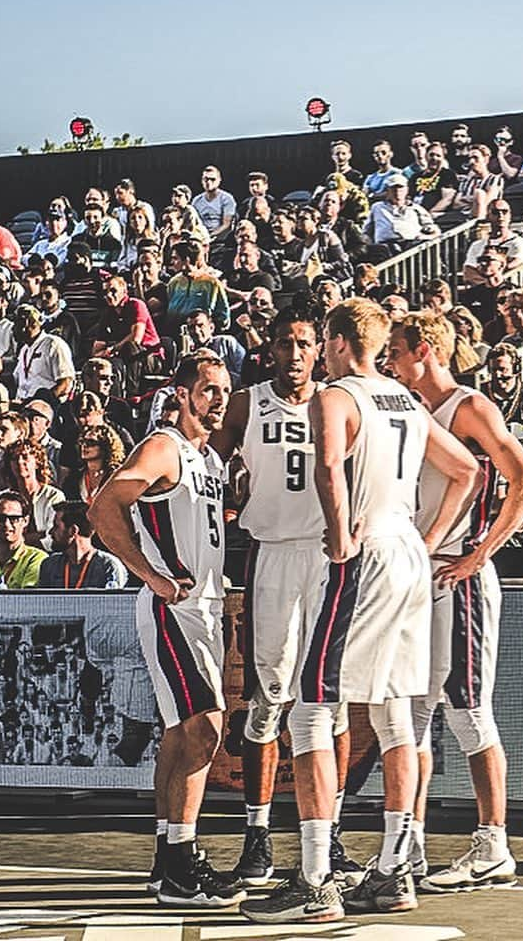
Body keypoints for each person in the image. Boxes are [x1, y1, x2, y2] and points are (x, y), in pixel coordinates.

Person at [242, 299, 479, 925]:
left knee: (314, 706)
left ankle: (316, 877)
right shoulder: (406, 399)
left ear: (339, 341)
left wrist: (344, 533)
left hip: (367, 551)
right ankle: (395, 869)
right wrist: (427, 543)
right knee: (396, 712)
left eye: (323, 338)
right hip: (406, 551)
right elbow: (467, 471)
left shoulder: (336, 396)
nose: (317, 350)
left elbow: (327, 467)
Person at [385, 311, 523, 889]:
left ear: (422, 350)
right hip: (420, 576)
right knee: (416, 711)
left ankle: (492, 844)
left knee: (469, 709)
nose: (390, 365)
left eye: (396, 354)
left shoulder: (470, 408)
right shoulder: (409, 413)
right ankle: (411, 844)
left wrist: (479, 556)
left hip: (461, 576)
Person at [210, 307, 361, 888]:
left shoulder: (338, 401)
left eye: (305, 343)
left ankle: (334, 831)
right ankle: (257, 836)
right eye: (285, 344)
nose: (295, 353)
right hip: (272, 553)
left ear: (319, 349)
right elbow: (206, 458)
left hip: (328, 556)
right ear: (269, 349)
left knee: (331, 700)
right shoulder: (248, 404)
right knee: (269, 696)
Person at [88, 352, 245, 908]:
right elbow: (104, 505)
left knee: (182, 733)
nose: (219, 398)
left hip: (203, 606)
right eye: (207, 388)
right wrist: (150, 573)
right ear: (181, 394)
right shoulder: (164, 446)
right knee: (205, 732)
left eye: (224, 388)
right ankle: (181, 862)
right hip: (173, 608)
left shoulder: (210, 459)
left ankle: (167, 859)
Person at [38, 501, 126, 589]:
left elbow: (113, 601)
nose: (50, 532)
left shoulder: (108, 566)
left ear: (73, 531)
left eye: (56, 526)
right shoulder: (49, 565)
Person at [0, 490, 47, 590]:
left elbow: (28, 600)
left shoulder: (36, 559)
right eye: (0, 518)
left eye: (13, 519)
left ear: (25, 521)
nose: (6, 524)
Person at [461, 199, 523, 285]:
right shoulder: (477, 245)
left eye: (504, 212)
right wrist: (489, 282)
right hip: (481, 290)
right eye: (495, 212)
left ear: (510, 215)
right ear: (488, 216)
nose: (500, 215)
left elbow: (513, 264)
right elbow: (468, 272)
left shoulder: (520, 243)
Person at [63, 424, 126, 505]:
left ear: (105, 446)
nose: (84, 446)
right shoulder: (73, 479)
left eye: (91, 442)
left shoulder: (115, 476)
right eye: (82, 441)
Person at [192, 166, 238, 259]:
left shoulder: (227, 199)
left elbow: (226, 225)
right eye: (206, 179)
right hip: (200, 240)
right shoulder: (196, 200)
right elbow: (194, 223)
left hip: (220, 243)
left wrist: (209, 236)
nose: (209, 182)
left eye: (212, 179)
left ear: (219, 180)